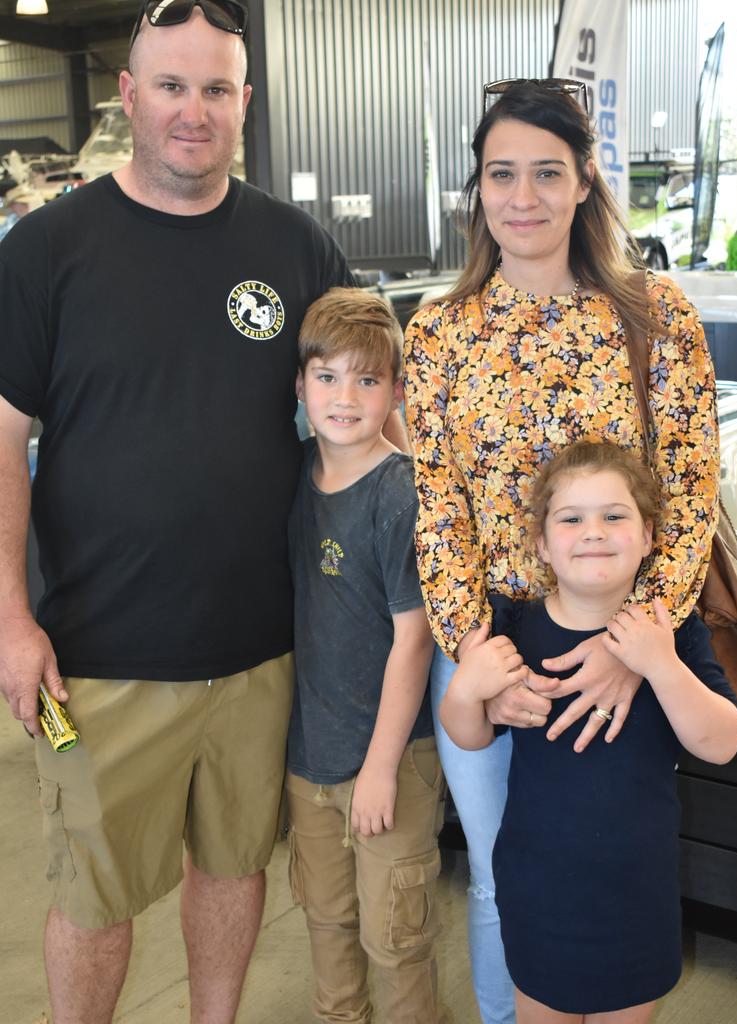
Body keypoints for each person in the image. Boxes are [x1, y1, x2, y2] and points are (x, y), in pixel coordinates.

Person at [0, 2, 355, 1022]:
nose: (191, 110)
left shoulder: (296, 247)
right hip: (93, 657)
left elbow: (365, 413)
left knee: (235, 866)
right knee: (90, 890)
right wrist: (11, 621)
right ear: (129, 94)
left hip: (260, 650)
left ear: (245, 102)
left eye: (215, 89)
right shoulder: (45, 250)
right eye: (170, 85)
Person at [403, 79, 720, 1024]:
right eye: (502, 174)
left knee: (607, 863)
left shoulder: (655, 314)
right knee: (506, 878)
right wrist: (476, 661)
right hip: (494, 645)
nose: (524, 197)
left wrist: (636, 645)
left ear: (586, 180)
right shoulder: (440, 331)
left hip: (629, 634)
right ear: (480, 189)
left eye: (548, 172)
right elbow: (438, 512)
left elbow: (691, 488)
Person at [440, 439, 737, 1023]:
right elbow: (471, 736)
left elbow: (723, 741)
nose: (593, 532)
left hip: (636, 894)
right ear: (543, 545)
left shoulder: (670, 634)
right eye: (572, 518)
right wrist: (465, 688)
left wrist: (659, 664)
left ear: (649, 536)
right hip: (537, 890)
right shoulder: (513, 627)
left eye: (614, 516)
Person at [286, 287, 443, 1024]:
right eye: (327, 376)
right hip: (310, 760)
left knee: (396, 938)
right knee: (326, 921)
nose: (344, 397)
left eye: (367, 379)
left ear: (395, 392)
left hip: (390, 763)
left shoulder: (399, 495)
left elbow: (413, 639)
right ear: (301, 385)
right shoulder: (294, 479)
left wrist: (379, 769)